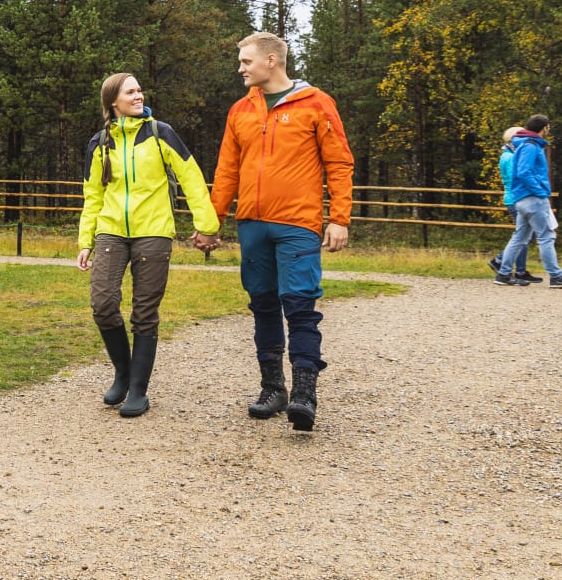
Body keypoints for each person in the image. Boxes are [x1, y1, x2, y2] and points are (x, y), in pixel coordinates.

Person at [209, 32, 354, 432]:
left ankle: (305, 393)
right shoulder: (240, 110)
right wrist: (211, 221)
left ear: (271, 61)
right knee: (263, 304)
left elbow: (339, 163)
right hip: (252, 224)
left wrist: (339, 217)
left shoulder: (317, 103)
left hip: (297, 225)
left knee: (300, 305)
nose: (240, 67)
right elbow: (227, 171)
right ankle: (273, 390)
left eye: (246, 60)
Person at [76, 73, 220, 418]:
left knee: (144, 313)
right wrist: (86, 240)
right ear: (113, 101)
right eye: (131, 91)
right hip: (111, 231)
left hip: (153, 231)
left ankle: (138, 390)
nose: (139, 96)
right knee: (103, 305)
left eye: (139, 90)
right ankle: (123, 374)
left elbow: (191, 176)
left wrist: (207, 224)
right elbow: (92, 195)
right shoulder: (100, 142)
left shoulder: (160, 133)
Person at [496, 114, 562, 288]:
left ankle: (503, 274)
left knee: (520, 237)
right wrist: (541, 191)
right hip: (533, 199)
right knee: (546, 236)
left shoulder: (523, 144)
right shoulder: (531, 145)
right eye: (548, 126)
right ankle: (556, 276)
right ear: (545, 127)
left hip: (521, 198)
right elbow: (523, 172)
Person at [487, 126, 541, 283]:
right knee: (522, 236)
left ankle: (519, 270)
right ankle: (502, 262)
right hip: (516, 199)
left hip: (514, 198)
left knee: (525, 236)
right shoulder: (510, 157)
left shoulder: (510, 155)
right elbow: (516, 178)